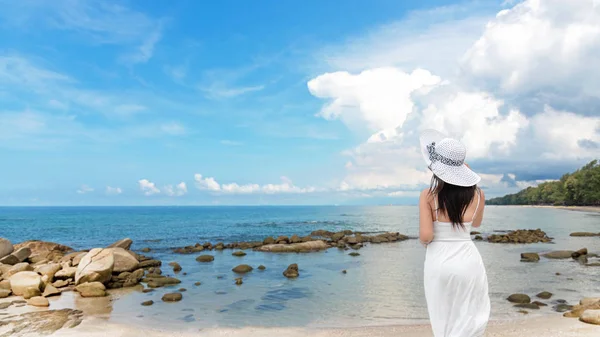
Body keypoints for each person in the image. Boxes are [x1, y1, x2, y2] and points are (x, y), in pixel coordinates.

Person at [418, 129, 490, 337]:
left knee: (444, 317)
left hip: (440, 260)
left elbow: (426, 236)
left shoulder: (428, 195)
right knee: (469, 317)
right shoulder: (478, 195)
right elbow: (476, 224)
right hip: (469, 260)